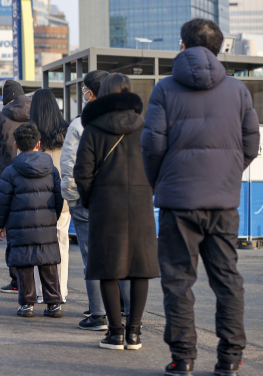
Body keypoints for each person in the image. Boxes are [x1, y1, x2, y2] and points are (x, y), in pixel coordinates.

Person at [141, 19, 259, 376]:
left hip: (178, 202)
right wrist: (226, 176)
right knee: (228, 280)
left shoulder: (165, 89)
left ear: (182, 45)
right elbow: (250, 144)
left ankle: (184, 359)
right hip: (223, 203)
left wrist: (159, 183)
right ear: (220, 48)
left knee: (178, 282)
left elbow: (152, 145)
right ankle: (230, 359)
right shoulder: (238, 90)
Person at [74, 73, 159, 351]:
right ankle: (134, 333)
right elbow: (157, 165)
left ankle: (115, 333)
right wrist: (147, 192)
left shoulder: (93, 128)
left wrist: (90, 200)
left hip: (105, 204)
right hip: (140, 203)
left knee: (108, 268)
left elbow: (82, 173)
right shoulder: (145, 128)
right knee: (139, 269)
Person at [60, 70, 111, 330]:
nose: (83, 94)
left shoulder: (80, 124)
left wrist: (71, 197)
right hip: (118, 199)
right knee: (118, 253)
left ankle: (98, 313)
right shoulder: (126, 120)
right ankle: (120, 309)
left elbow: (69, 165)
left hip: (87, 199)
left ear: (91, 93)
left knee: (92, 255)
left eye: (84, 90)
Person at [0, 123, 64, 318]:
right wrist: (52, 217)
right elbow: (59, 197)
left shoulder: (10, 171)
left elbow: (3, 201)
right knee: (48, 262)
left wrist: (1, 225)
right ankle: (54, 304)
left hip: (19, 224)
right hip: (46, 223)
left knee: (24, 263)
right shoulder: (51, 168)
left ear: (16, 145)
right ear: (39, 144)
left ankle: (27, 304)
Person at [0, 80, 32, 294]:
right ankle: (42, 281)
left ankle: (17, 280)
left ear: (6, 98)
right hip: (40, 175)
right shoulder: (38, 111)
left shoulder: (0, 117)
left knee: (13, 230)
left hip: (9, 178)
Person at [29, 88, 70, 303]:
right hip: (62, 195)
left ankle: (39, 292)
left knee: (38, 245)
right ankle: (60, 292)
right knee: (61, 241)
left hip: (36, 198)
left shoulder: (30, 132)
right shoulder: (66, 130)